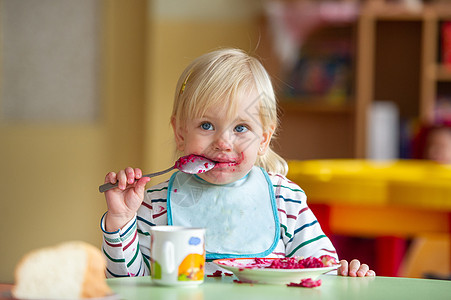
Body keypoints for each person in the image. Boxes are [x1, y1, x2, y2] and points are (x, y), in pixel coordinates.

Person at [100, 48, 375, 278]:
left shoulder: (284, 200)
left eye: (241, 128)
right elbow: (129, 285)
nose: (224, 142)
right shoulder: (154, 205)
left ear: (264, 139)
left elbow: (320, 271)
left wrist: (343, 274)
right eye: (206, 125)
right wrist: (121, 220)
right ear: (180, 134)